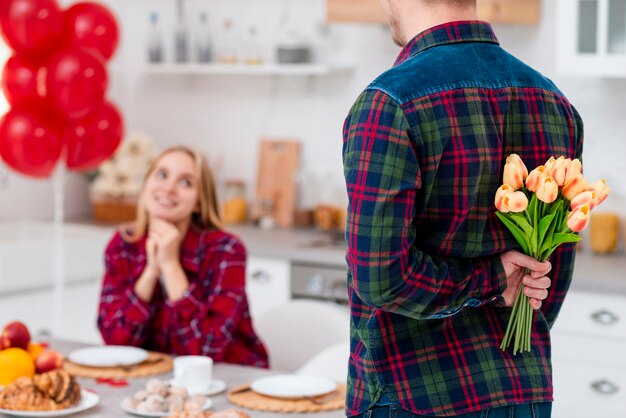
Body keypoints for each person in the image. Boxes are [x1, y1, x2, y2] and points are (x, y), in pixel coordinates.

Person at [342, 1, 583, 417]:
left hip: (412, 396)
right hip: (522, 392)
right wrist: (501, 286)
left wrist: (492, 279)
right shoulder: (554, 102)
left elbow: (381, 279)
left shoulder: (389, 104)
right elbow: (552, 271)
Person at [97, 146, 269, 368]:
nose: (168, 188)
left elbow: (207, 350)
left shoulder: (226, 250)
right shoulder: (123, 245)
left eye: (185, 182)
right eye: (162, 175)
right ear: (146, 184)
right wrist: (151, 272)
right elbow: (116, 343)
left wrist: (170, 266)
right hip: (159, 383)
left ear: (199, 201)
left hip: (231, 380)